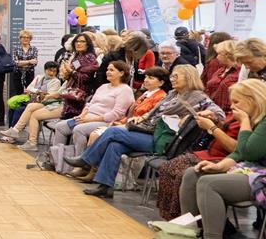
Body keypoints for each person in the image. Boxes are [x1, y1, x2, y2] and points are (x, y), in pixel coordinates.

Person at [66, 65, 224, 198]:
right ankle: (105, 186)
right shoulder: (172, 94)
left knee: (113, 132)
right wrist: (141, 118)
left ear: (189, 78)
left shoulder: (198, 97)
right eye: (172, 76)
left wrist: (202, 114)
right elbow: (153, 114)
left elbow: (219, 114)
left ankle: (86, 160)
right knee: (115, 145)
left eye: (176, 76)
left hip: (164, 140)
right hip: (149, 131)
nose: (172, 79)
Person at [172, 79, 266, 239]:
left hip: (260, 174)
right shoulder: (257, 118)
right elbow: (239, 153)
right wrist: (220, 166)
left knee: (209, 184)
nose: (232, 107)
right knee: (192, 174)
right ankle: (189, 236)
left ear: (253, 99)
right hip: (251, 168)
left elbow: (248, 153)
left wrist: (244, 122)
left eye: (237, 102)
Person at [2, 33, 98, 150]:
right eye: (77, 41)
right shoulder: (76, 58)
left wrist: (70, 72)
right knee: (28, 106)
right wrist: (68, 73)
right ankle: (16, 131)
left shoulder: (89, 58)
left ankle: (32, 142)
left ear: (88, 44)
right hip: (64, 97)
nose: (79, 44)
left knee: (33, 113)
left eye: (82, 41)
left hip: (74, 101)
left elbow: (84, 79)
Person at [46, 60, 134, 155]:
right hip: (87, 117)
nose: (107, 72)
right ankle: (56, 157)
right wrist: (82, 115)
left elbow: (117, 114)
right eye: (107, 70)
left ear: (121, 73)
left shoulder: (125, 90)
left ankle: (79, 160)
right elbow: (89, 104)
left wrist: (90, 120)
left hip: (106, 122)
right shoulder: (103, 87)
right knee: (60, 127)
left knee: (79, 129)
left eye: (111, 70)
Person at [203, 39, 240, 112]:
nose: (217, 57)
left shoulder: (240, 72)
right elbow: (208, 89)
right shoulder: (220, 70)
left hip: (229, 112)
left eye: (219, 54)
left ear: (227, 55)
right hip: (213, 110)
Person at [10, 29, 39, 97]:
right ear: (20, 39)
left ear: (30, 39)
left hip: (29, 73)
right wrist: (29, 61)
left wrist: (21, 62)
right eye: (23, 37)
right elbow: (15, 63)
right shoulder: (16, 48)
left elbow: (34, 63)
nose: (25, 39)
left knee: (30, 93)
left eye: (27, 37)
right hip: (18, 73)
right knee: (18, 93)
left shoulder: (34, 49)